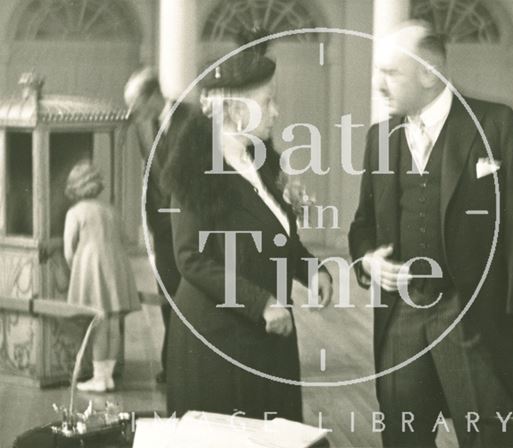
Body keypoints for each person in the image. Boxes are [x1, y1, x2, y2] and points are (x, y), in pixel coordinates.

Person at [349, 21, 513, 447]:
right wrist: (368, 260)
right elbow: (362, 225)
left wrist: (505, 311)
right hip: (400, 320)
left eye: (391, 72)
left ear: (428, 72)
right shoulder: (379, 140)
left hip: (472, 316)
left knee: (490, 439)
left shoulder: (494, 125)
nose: (380, 84)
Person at [162, 45, 333, 420]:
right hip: (219, 341)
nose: (277, 112)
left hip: (265, 333)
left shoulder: (261, 159)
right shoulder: (197, 168)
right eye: (268, 101)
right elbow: (190, 257)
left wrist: (311, 270)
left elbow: (276, 234)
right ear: (236, 110)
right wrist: (261, 303)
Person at [124, 67, 197, 384]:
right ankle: (174, 364)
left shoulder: (191, 119)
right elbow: (151, 178)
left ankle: (189, 366)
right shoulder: (146, 126)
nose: (132, 112)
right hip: (161, 228)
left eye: (135, 104)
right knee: (168, 295)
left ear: (153, 96)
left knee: (189, 298)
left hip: (189, 228)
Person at [63, 160, 141, 392]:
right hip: (116, 267)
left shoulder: (75, 212)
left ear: (73, 188)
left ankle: (98, 377)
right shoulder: (110, 210)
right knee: (114, 322)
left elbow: (69, 249)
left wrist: (74, 269)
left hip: (91, 267)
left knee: (98, 323)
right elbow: (126, 239)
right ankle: (108, 376)